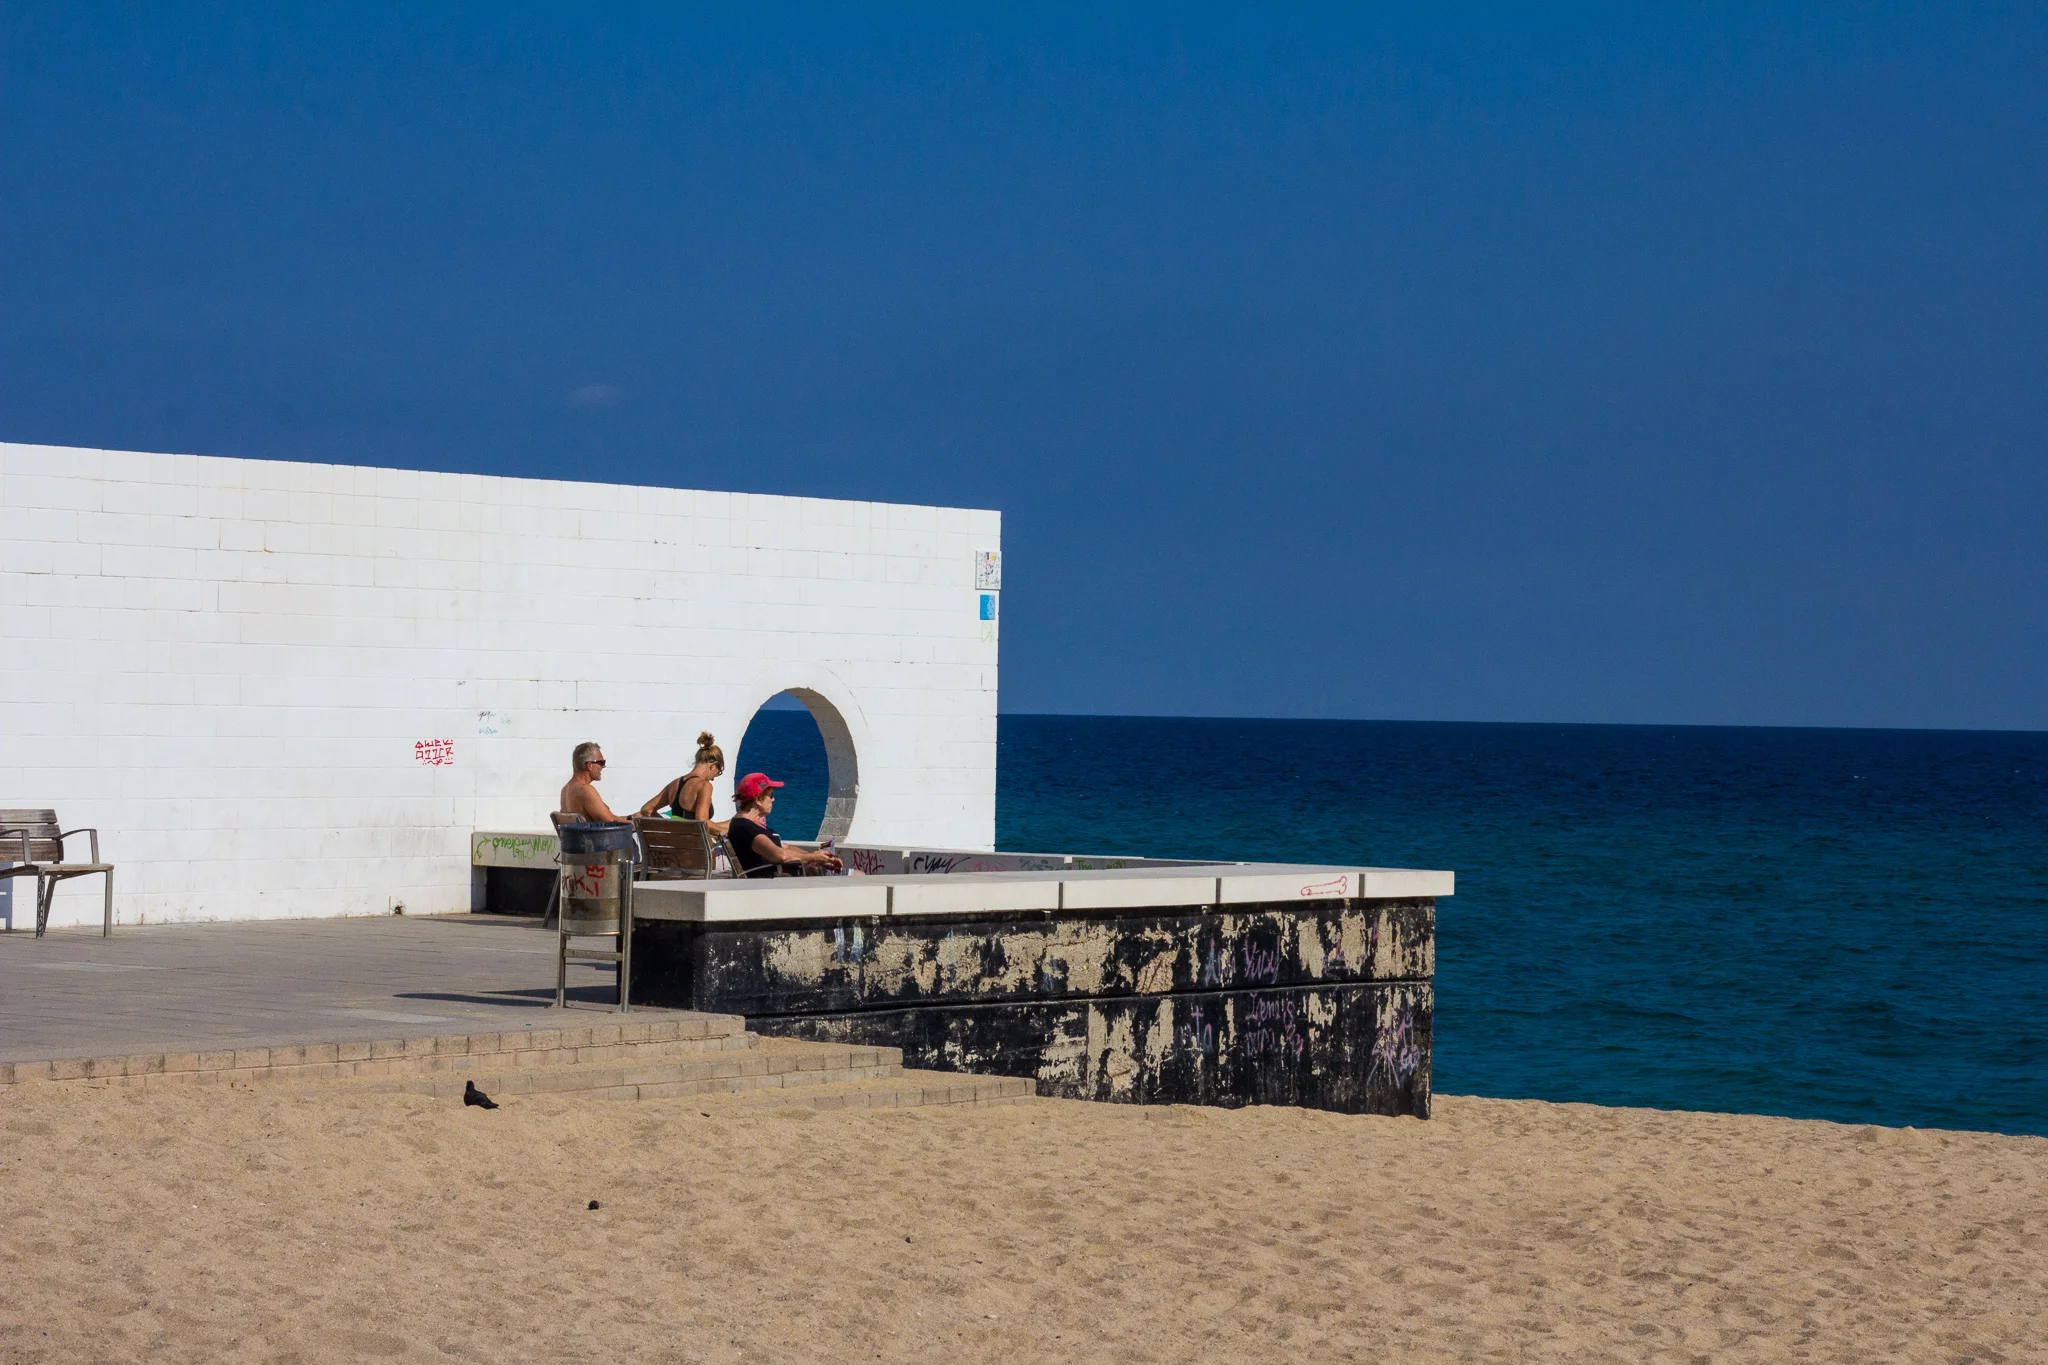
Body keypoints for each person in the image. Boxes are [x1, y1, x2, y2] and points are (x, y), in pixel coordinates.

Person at [726, 772, 843, 877]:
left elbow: (784, 847)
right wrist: (813, 857)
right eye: (771, 795)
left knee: (854, 874)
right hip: (778, 881)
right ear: (758, 800)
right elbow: (780, 855)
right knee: (858, 875)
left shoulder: (748, 825)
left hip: (783, 876)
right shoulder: (745, 827)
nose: (773, 800)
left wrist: (817, 858)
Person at [639, 731, 728, 834]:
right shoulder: (704, 786)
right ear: (713, 765)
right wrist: (727, 831)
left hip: (675, 845)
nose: (713, 778)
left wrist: (669, 826)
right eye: (718, 772)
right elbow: (702, 821)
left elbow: (646, 809)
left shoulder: (674, 784)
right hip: (696, 847)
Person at [558, 741, 621, 823]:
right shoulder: (586, 790)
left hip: (576, 836)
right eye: (601, 762)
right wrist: (637, 823)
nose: (603, 766)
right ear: (590, 765)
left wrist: (632, 817)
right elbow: (611, 822)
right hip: (595, 836)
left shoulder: (565, 790)